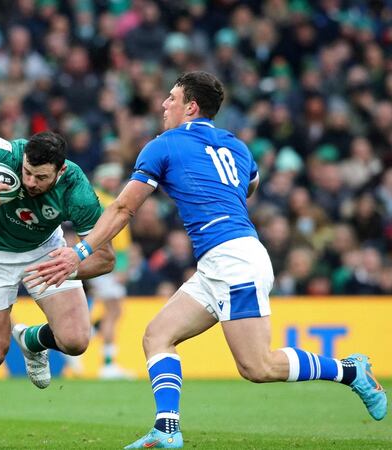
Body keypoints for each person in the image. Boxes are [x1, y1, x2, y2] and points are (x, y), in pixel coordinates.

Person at [24, 71, 387, 448]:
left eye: (171, 98)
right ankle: (167, 430)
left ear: (191, 107)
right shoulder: (238, 146)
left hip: (233, 260)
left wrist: (79, 252)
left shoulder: (164, 145)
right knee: (158, 335)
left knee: (257, 366)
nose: (164, 104)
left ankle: (349, 370)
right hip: (222, 259)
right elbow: (250, 187)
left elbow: (123, 207)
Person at [0, 123, 115, 390]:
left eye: (41, 177)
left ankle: (32, 341)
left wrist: (67, 267)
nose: (31, 182)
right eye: (28, 173)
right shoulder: (10, 153)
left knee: (76, 341)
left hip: (45, 251)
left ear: (61, 170)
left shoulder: (78, 193)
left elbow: (105, 257)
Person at [88, 163, 136, 380]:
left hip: (112, 261)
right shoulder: (101, 200)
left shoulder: (108, 198)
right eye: (110, 177)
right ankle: (107, 364)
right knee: (113, 310)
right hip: (106, 261)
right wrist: (118, 266)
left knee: (114, 310)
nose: (114, 181)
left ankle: (90, 332)